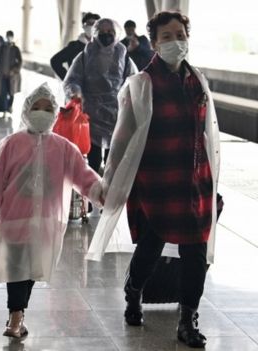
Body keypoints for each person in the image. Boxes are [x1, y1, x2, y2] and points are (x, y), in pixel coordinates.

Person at [86, 12, 220, 349]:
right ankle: (134, 292)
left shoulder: (198, 80)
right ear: (155, 43)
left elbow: (209, 136)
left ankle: (188, 319)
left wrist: (215, 182)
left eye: (180, 34)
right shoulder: (142, 84)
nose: (176, 41)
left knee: (196, 252)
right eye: (167, 36)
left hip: (195, 181)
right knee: (151, 245)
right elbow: (122, 138)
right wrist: (109, 178)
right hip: (158, 181)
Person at [0, 83, 103, 339]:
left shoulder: (65, 148)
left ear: (55, 113)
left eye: (48, 108)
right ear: (26, 111)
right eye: (36, 107)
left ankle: (19, 314)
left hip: (46, 222)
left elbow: (82, 175)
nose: (41, 113)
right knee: (17, 266)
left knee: (30, 269)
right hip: (14, 220)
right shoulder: (11, 144)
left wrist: (99, 190)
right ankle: (15, 316)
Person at [63, 18, 137, 174]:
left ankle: (109, 195)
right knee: (93, 160)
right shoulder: (85, 55)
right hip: (91, 115)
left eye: (110, 32)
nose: (106, 35)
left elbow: (134, 81)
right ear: (95, 34)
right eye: (102, 32)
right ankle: (92, 193)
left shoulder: (123, 56)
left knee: (114, 161)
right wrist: (75, 92)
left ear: (116, 34)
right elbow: (72, 79)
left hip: (117, 115)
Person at [50, 12, 100, 80]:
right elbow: (55, 61)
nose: (92, 26)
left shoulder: (103, 47)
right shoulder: (74, 46)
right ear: (83, 26)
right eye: (89, 23)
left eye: (95, 24)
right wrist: (68, 80)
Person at [0, 30, 22, 116]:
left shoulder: (15, 48)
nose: (9, 38)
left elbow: (20, 61)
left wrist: (14, 70)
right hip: (2, 75)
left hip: (12, 76)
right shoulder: (1, 47)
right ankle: (4, 109)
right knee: (3, 92)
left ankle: (9, 107)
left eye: (10, 36)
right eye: (8, 36)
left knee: (11, 92)